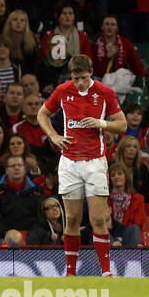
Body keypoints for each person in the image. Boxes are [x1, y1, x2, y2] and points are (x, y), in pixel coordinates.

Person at [38, 55, 126, 276]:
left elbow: (122, 124)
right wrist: (53, 136)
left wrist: (101, 123)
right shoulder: (63, 90)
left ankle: (106, 271)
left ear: (91, 73)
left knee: (97, 218)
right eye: (76, 78)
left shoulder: (105, 93)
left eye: (84, 78)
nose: (79, 83)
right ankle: (70, 272)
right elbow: (42, 114)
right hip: (69, 163)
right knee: (73, 219)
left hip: (95, 162)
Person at [106, 161, 147, 246]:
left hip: (127, 233)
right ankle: (112, 251)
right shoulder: (106, 199)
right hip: (111, 233)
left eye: (120, 174)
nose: (116, 177)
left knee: (135, 228)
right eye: (113, 175)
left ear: (126, 177)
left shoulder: (138, 198)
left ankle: (135, 256)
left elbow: (139, 222)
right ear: (110, 180)